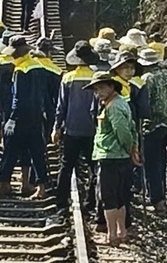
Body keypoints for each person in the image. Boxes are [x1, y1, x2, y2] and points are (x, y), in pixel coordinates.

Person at [84, 71, 139, 245]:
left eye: (101, 88)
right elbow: (132, 128)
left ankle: (112, 235)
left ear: (111, 86)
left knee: (109, 197)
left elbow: (123, 131)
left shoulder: (113, 107)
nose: (97, 92)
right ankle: (121, 232)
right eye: (95, 89)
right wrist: (132, 149)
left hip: (110, 156)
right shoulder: (121, 103)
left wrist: (129, 147)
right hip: (120, 157)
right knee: (121, 196)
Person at [0, 36, 48, 200]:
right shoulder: (38, 67)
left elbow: (18, 97)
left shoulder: (20, 70)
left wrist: (12, 118)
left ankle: (4, 184)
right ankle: (41, 188)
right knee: (37, 153)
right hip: (36, 117)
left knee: (10, 151)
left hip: (20, 118)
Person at [52, 41, 98, 213]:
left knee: (66, 166)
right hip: (92, 130)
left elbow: (61, 106)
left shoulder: (68, 78)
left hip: (71, 129)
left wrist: (57, 127)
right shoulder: (97, 77)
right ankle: (91, 202)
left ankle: (61, 202)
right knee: (94, 168)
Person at [140, 47, 167, 214]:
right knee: (162, 163)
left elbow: (146, 104)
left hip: (153, 126)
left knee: (152, 165)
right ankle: (163, 197)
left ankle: (158, 200)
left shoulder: (147, 79)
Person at [32, 37, 62, 139]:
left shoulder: (28, 65)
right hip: (47, 107)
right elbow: (58, 96)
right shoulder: (56, 71)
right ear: (49, 53)